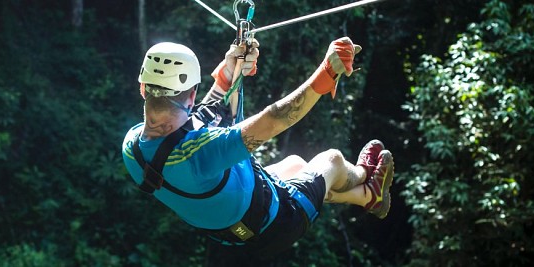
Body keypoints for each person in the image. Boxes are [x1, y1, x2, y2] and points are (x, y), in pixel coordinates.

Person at [121, 37, 394, 264]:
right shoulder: (203, 153)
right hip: (277, 223)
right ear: (192, 94)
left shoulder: (132, 147)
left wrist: (228, 75)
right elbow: (274, 119)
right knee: (332, 160)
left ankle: (366, 197)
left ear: (143, 89)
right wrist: (326, 73)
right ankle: (365, 178)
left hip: (231, 232)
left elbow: (196, 121)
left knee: (296, 165)